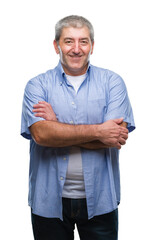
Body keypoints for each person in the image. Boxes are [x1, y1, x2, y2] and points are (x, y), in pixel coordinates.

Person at [21, 15, 135, 240]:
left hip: (101, 200)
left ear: (92, 45)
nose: (76, 49)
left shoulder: (112, 83)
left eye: (83, 41)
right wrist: (98, 131)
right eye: (69, 41)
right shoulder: (37, 86)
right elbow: (41, 135)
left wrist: (57, 127)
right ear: (57, 46)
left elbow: (115, 139)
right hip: (48, 202)